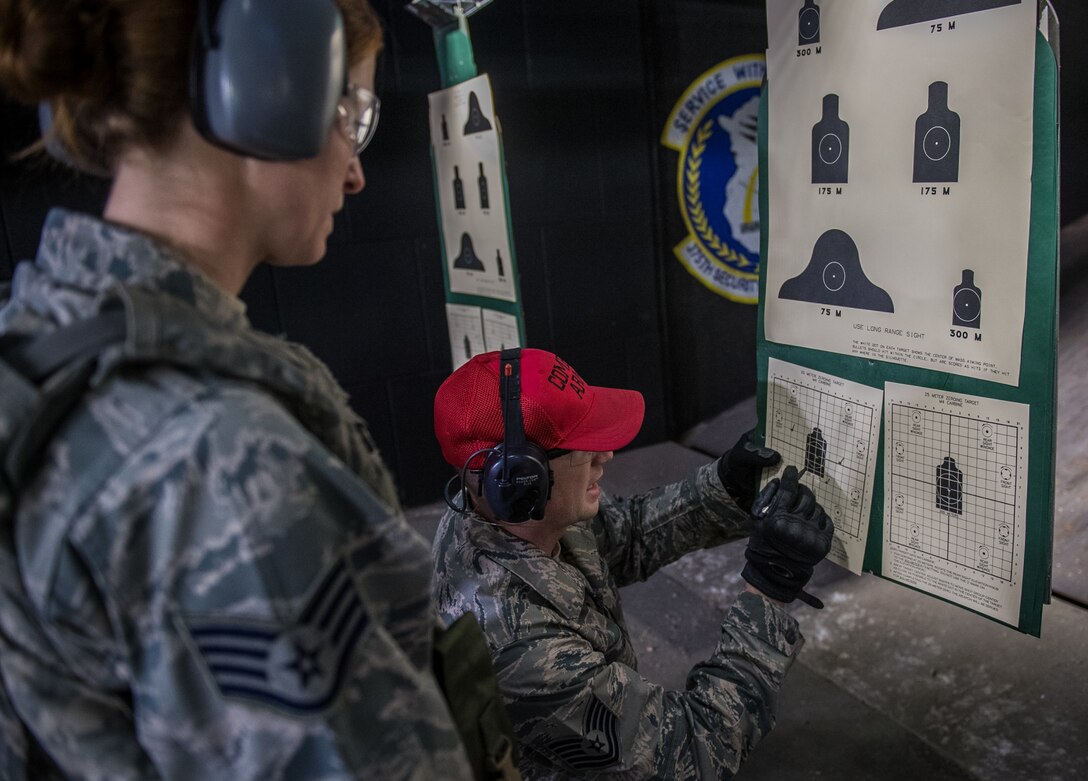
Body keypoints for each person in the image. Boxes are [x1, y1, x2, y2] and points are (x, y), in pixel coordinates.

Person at [0, 1, 477, 778]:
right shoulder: (223, 465)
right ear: (269, 95)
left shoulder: (38, 346)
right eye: (352, 113)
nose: (356, 170)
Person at [431, 348, 834, 779]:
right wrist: (768, 590)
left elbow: (628, 535)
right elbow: (695, 751)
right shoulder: (521, 644)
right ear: (521, 477)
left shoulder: (507, 512)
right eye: (583, 446)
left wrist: (726, 487)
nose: (605, 456)